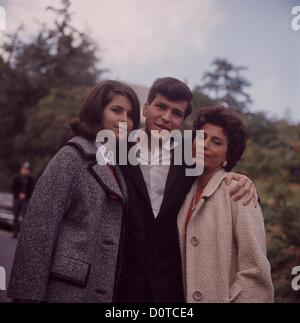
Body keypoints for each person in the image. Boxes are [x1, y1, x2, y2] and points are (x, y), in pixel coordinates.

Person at [116, 77, 258, 303]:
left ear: (182, 121)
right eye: (160, 107)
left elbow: (217, 164)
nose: (165, 118)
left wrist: (242, 178)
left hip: (173, 291)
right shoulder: (117, 152)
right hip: (122, 287)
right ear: (146, 108)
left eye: (176, 113)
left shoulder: (188, 160)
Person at [7, 80, 140, 302]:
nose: (124, 120)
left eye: (130, 114)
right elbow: (38, 230)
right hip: (65, 290)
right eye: (117, 110)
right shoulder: (71, 157)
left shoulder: (115, 164)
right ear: (97, 111)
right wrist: (26, 296)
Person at [177, 106, 274, 303]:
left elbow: (255, 274)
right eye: (202, 136)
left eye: (216, 142)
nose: (205, 145)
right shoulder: (184, 189)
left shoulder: (238, 192)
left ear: (227, 155)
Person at [11, 162, 34, 238]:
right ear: (21, 169)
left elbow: (31, 190)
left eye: (27, 169)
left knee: (25, 217)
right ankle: (15, 232)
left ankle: (23, 233)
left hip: (26, 200)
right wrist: (19, 194)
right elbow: (13, 189)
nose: (25, 170)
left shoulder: (30, 179)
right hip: (17, 199)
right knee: (16, 216)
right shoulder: (17, 178)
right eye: (24, 169)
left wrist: (25, 195)